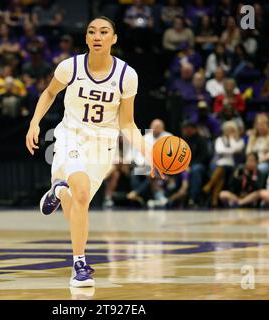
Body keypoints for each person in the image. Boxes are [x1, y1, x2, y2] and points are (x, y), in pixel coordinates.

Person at [25, 17, 163, 287]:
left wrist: (150, 152)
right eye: (91, 32)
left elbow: (127, 123)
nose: (97, 36)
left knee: (79, 203)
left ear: (114, 39)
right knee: (82, 190)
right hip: (70, 136)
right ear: (86, 38)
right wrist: (34, 123)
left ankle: (58, 191)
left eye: (104, 32)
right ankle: (79, 265)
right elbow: (49, 93)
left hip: (103, 144)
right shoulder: (70, 67)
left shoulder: (127, 75)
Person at [202, 121, 244, 207]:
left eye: (231, 130)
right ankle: (214, 200)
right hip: (220, 164)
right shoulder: (220, 139)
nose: (229, 132)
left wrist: (231, 139)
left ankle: (209, 185)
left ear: (235, 130)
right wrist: (230, 150)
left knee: (222, 169)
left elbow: (235, 149)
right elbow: (219, 150)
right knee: (222, 174)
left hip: (234, 164)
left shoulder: (239, 140)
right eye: (227, 130)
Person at [245, 113, 269, 179]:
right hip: (252, 162)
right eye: (258, 124)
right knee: (241, 169)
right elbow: (248, 151)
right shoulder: (253, 136)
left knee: (259, 168)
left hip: (267, 163)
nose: (260, 127)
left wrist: (258, 161)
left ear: (268, 125)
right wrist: (251, 161)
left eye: (263, 124)